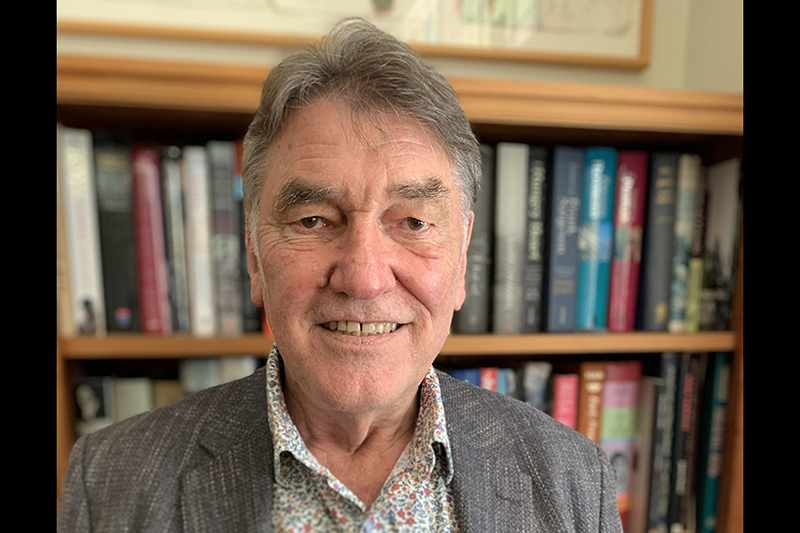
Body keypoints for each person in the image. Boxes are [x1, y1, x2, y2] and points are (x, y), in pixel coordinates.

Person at [57, 18, 622, 532]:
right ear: (255, 255)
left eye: (414, 221)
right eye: (313, 220)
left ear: (462, 257)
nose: (364, 277)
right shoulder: (110, 481)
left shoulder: (573, 482)